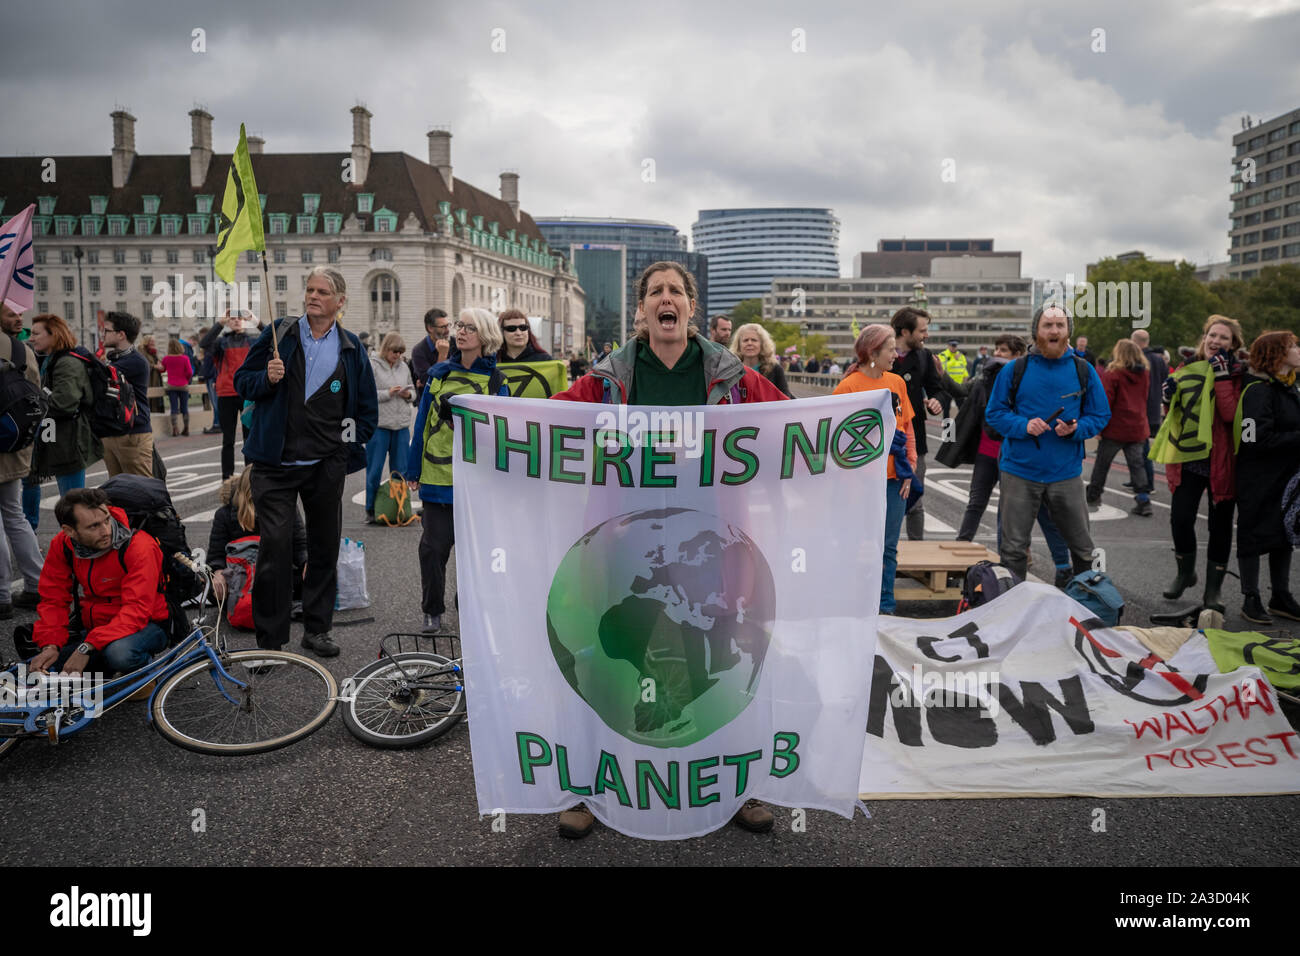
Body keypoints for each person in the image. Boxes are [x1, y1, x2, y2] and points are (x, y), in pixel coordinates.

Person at [552, 260, 785, 840]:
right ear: (640, 310)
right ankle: (590, 785)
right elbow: (547, 420)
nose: (666, 299)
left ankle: (737, 786)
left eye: (675, 291)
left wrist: (866, 411)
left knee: (724, 654)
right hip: (627, 547)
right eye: (655, 291)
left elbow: (790, 420)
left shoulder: (733, 377)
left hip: (713, 547)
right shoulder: (607, 379)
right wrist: (482, 415)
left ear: (690, 307)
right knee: (612, 661)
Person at [234, 266, 378, 657]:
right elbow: (242, 381)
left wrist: (342, 446)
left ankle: (317, 630)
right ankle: (270, 640)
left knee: (323, 548)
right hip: (274, 465)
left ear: (340, 302)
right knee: (275, 548)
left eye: (322, 292)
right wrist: (267, 376)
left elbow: (366, 410)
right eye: (310, 290)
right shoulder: (281, 333)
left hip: (324, 466)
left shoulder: (350, 348)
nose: (313, 296)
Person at [984, 305, 1110, 581]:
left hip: (1066, 472)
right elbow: (994, 413)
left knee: (1083, 549)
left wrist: (1077, 429)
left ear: (1068, 332)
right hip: (1019, 470)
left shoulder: (1083, 370)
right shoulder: (1015, 370)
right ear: (1036, 331)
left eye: (1060, 325)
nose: (1054, 330)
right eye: (1047, 325)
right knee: (1013, 548)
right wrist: (1023, 425)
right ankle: (1013, 608)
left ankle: (1083, 604)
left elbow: (1100, 414)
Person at [941, 334, 1075, 588]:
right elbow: (962, 393)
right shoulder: (987, 378)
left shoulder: (1026, 379)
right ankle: (959, 551)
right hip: (986, 452)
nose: (998, 353)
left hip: (1015, 454)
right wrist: (941, 376)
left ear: (1017, 355)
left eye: (1004, 350)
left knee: (1015, 509)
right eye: (997, 349)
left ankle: (1018, 558)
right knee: (976, 501)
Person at [405, 308, 508, 634]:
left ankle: (470, 608)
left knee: (473, 552)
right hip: (437, 477)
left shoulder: (496, 381)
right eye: (460, 326)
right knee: (432, 549)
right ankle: (432, 610)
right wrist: (413, 467)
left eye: (470, 328)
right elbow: (421, 421)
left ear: (486, 336)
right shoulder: (437, 373)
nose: (461, 332)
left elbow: (502, 433)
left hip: (478, 483)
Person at [26, 487, 169, 676]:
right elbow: (53, 599)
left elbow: (137, 609)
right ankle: (101, 663)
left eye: (107, 520)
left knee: (119, 654)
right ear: (69, 531)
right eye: (94, 526)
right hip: (98, 626)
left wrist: (88, 646)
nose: (106, 531)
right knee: (37, 665)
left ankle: (144, 670)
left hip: (147, 624)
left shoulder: (139, 546)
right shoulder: (62, 545)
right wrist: (50, 645)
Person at [1156, 315, 1245, 609]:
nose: (1216, 341)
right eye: (1212, 335)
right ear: (1203, 337)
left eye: (1224, 338)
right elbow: (1176, 413)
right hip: (1190, 458)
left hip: (1222, 461)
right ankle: (1185, 573)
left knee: (1220, 527)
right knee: (1180, 519)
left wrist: (1220, 377)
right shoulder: (1187, 367)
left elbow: (1231, 414)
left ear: (1233, 345)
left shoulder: (1238, 374)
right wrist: (1168, 398)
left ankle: (1213, 591)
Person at [834, 325, 916, 614]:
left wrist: (911, 468)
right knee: (856, 543)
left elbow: (907, 428)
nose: (896, 354)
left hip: (894, 480)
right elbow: (838, 439)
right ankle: (853, 603)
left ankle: (885, 605)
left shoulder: (896, 382)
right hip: (859, 482)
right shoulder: (848, 387)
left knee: (888, 547)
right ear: (872, 352)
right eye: (891, 349)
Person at [1234, 330, 1300, 624]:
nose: (1298, 350)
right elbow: (1253, 439)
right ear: (1277, 355)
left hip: (1286, 476)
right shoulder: (1258, 390)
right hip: (1258, 478)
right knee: (1252, 534)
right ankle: (1251, 597)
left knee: (1283, 533)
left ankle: (1281, 596)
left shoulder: (1290, 386)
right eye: (1293, 346)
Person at [25, 315, 101, 530]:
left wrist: (36, 398)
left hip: (69, 439)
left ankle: (80, 541)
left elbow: (64, 402)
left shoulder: (67, 362)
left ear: (53, 334)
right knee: (61, 492)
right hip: (56, 436)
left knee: (72, 500)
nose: (31, 339)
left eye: (36, 333)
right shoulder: (51, 359)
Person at [207, 467, 308, 610]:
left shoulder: (286, 508)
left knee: (319, 576)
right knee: (212, 589)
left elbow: (300, 545)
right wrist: (217, 573)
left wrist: (306, 562)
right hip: (241, 576)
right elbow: (215, 555)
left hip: (278, 572)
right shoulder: (224, 515)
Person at [891, 307, 949, 541]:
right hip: (881, 438)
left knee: (914, 499)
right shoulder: (879, 353)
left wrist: (937, 400)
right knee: (881, 499)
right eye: (923, 331)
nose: (927, 335)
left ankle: (916, 550)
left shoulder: (925, 357)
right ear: (905, 331)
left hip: (914, 438)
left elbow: (939, 390)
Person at [0, 322, 45, 618]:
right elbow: (36, 394)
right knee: (15, 516)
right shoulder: (21, 349)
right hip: (15, 443)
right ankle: (37, 584)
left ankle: (1, 595)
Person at [1086, 339, 1152, 515]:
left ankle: (1093, 494)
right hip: (1137, 426)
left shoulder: (1113, 374)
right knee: (1137, 465)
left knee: (1102, 464)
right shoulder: (1144, 374)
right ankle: (1143, 499)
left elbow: (1105, 402)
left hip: (1115, 428)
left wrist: (1098, 428)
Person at [201, 309, 257, 480]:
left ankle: (250, 477)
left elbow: (275, 336)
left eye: (239, 318)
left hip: (247, 394)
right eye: (232, 319)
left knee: (250, 439)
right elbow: (204, 343)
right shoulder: (220, 343)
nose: (236, 321)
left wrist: (255, 321)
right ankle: (227, 478)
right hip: (226, 393)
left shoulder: (252, 341)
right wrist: (220, 323)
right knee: (228, 440)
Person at [366, 332, 415, 524]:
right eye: (395, 352)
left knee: (401, 471)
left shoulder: (404, 367)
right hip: (379, 425)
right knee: (375, 470)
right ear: (386, 349)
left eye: (401, 353)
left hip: (401, 425)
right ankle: (371, 510)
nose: (398, 356)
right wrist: (388, 393)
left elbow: (413, 392)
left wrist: (408, 395)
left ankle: (399, 508)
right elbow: (368, 394)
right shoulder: (373, 365)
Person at [99, 311, 154, 477]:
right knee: (118, 492)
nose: (103, 334)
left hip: (132, 433)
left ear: (121, 334)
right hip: (113, 432)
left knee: (142, 490)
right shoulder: (116, 360)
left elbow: (98, 377)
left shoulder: (135, 361)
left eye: (107, 331)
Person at [1131, 329, 1168, 496]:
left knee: (1142, 449)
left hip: (1140, 408)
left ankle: (1148, 483)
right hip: (1154, 409)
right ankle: (1137, 480)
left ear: (1136, 342)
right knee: (1138, 448)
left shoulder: (1137, 359)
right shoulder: (1159, 361)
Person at [730, 322, 793, 397]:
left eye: (754, 340)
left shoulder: (775, 369)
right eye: (745, 340)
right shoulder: (731, 371)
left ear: (762, 344)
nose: (749, 343)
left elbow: (785, 397)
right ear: (739, 345)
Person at [160, 338, 195, 437]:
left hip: (171, 386)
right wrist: (186, 380)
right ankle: (186, 428)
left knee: (174, 408)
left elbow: (162, 370)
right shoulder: (185, 358)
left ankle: (175, 429)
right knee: (184, 408)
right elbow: (189, 372)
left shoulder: (166, 358)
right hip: (183, 385)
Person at [412, 308, 450, 391]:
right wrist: (442, 356)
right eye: (443, 327)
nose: (447, 330)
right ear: (430, 328)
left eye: (448, 325)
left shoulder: (455, 343)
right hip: (431, 401)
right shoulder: (419, 351)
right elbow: (429, 382)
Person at [938, 339, 969, 417]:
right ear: (948, 346)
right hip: (947, 386)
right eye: (952, 346)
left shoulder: (961, 356)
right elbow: (942, 368)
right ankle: (946, 427)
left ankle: (962, 425)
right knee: (946, 408)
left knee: (961, 407)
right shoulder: (943, 355)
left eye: (955, 346)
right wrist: (954, 360)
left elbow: (964, 368)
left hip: (958, 386)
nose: (954, 348)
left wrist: (966, 377)